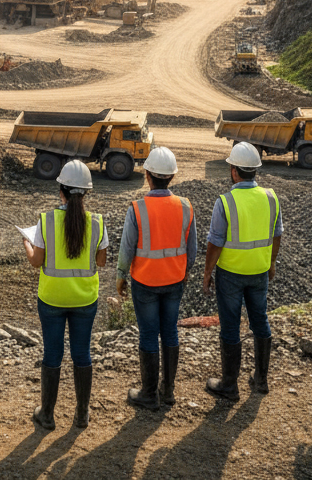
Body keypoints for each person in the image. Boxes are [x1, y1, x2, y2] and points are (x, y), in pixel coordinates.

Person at [22, 159, 108, 431]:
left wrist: (26, 242)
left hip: (52, 300)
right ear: (86, 193)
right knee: (82, 355)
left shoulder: (46, 220)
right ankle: (81, 415)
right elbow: (102, 261)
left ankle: (47, 414)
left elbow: (36, 261)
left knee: (53, 355)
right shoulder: (97, 222)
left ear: (60, 190)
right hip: (84, 300)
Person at [115, 147, 197, 410]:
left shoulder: (138, 208)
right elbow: (192, 249)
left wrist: (120, 275)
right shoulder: (185, 206)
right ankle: (168, 391)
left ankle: (149, 394)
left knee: (149, 334)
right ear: (171, 177)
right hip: (174, 281)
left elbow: (127, 248)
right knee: (170, 331)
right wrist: (184, 273)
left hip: (145, 282)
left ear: (148, 175)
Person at [203, 142, 282, 401]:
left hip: (231, 275)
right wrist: (270, 264)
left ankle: (229, 385)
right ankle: (261, 380)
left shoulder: (225, 202)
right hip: (259, 272)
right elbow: (277, 235)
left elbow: (215, 243)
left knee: (230, 326)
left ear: (235, 171)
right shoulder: (271, 198)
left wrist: (207, 273)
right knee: (260, 321)